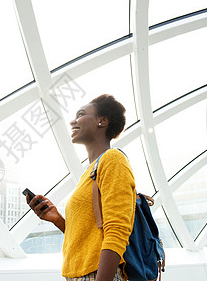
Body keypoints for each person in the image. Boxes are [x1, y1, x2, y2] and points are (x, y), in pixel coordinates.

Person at [26, 94, 136, 281]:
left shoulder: (113, 160)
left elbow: (117, 230)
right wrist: (57, 219)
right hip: (79, 274)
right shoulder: (90, 172)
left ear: (102, 121)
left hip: (97, 275)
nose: (72, 121)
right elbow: (89, 237)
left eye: (80, 114)